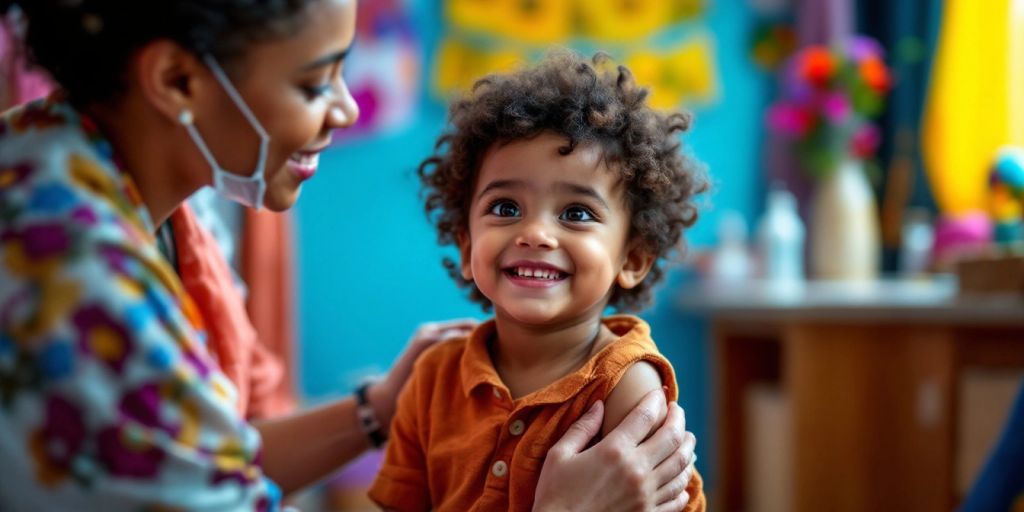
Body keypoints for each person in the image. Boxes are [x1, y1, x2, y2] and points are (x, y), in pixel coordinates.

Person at [0, 1, 697, 510]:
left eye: (577, 214)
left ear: (632, 254)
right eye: (313, 81)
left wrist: (377, 409)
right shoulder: (78, 278)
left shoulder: (148, 201)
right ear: (179, 83)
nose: (347, 108)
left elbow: (204, 459)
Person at [368, 51, 707, 511]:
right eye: (506, 208)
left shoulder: (627, 387)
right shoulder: (432, 378)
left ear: (632, 257)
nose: (535, 234)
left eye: (576, 213)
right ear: (467, 248)